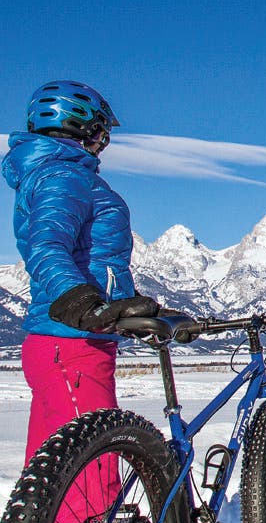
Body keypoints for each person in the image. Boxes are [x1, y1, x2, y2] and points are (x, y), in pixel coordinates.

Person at [3, 80, 159, 463]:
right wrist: (79, 300)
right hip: (72, 342)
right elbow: (46, 247)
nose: (105, 140)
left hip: (68, 341)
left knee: (54, 474)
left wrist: (126, 309)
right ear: (84, 126)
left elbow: (96, 262)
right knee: (92, 469)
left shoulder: (57, 174)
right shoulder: (64, 176)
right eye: (103, 129)